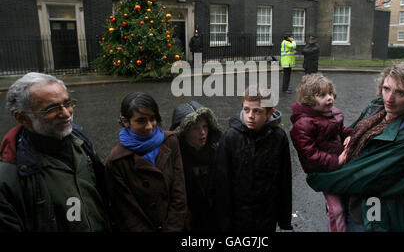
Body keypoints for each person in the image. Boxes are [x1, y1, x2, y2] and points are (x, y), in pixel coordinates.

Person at [307, 62, 404, 232]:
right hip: (347, 200)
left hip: (373, 215)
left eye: (400, 93)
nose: (389, 99)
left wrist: (317, 177)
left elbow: (363, 176)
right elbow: (348, 134)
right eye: (386, 88)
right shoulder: (376, 108)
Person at [0, 72, 110, 231]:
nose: (66, 113)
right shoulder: (9, 178)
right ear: (22, 118)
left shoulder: (80, 141)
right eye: (51, 108)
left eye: (68, 103)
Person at [212, 85, 293, 232]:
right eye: (246, 109)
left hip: (267, 216)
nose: (250, 115)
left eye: (257, 111)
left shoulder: (278, 138)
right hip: (238, 218)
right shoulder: (230, 138)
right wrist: (223, 223)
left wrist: (285, 220)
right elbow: (222, 184)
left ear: (270, 113)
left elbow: (284, 181)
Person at [104, 92, 187, 232]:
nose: (149, 126)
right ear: (125, 121)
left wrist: (173, 228)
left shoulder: (170, 141)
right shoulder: (116, 161)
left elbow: (179, 191)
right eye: (141, 120)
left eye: (152, 118)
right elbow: (127, 212)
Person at [290, 73, 352, 232]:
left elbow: (341, 130)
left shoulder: (333, 113)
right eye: (322, 95)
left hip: (338, 167)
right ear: (309, 99)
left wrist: (350, 135)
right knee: (336, 209)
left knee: (345, 202)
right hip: (323, 173)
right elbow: (309, 155)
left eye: (330, 93)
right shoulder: (303, 124)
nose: (329, 98)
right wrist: (335, 161)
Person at [170, 101, 222, 232]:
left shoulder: (217, 152)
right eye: (195, 128)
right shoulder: (175, 158)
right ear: (184, 131)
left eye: (205, 126)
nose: (202, 132)